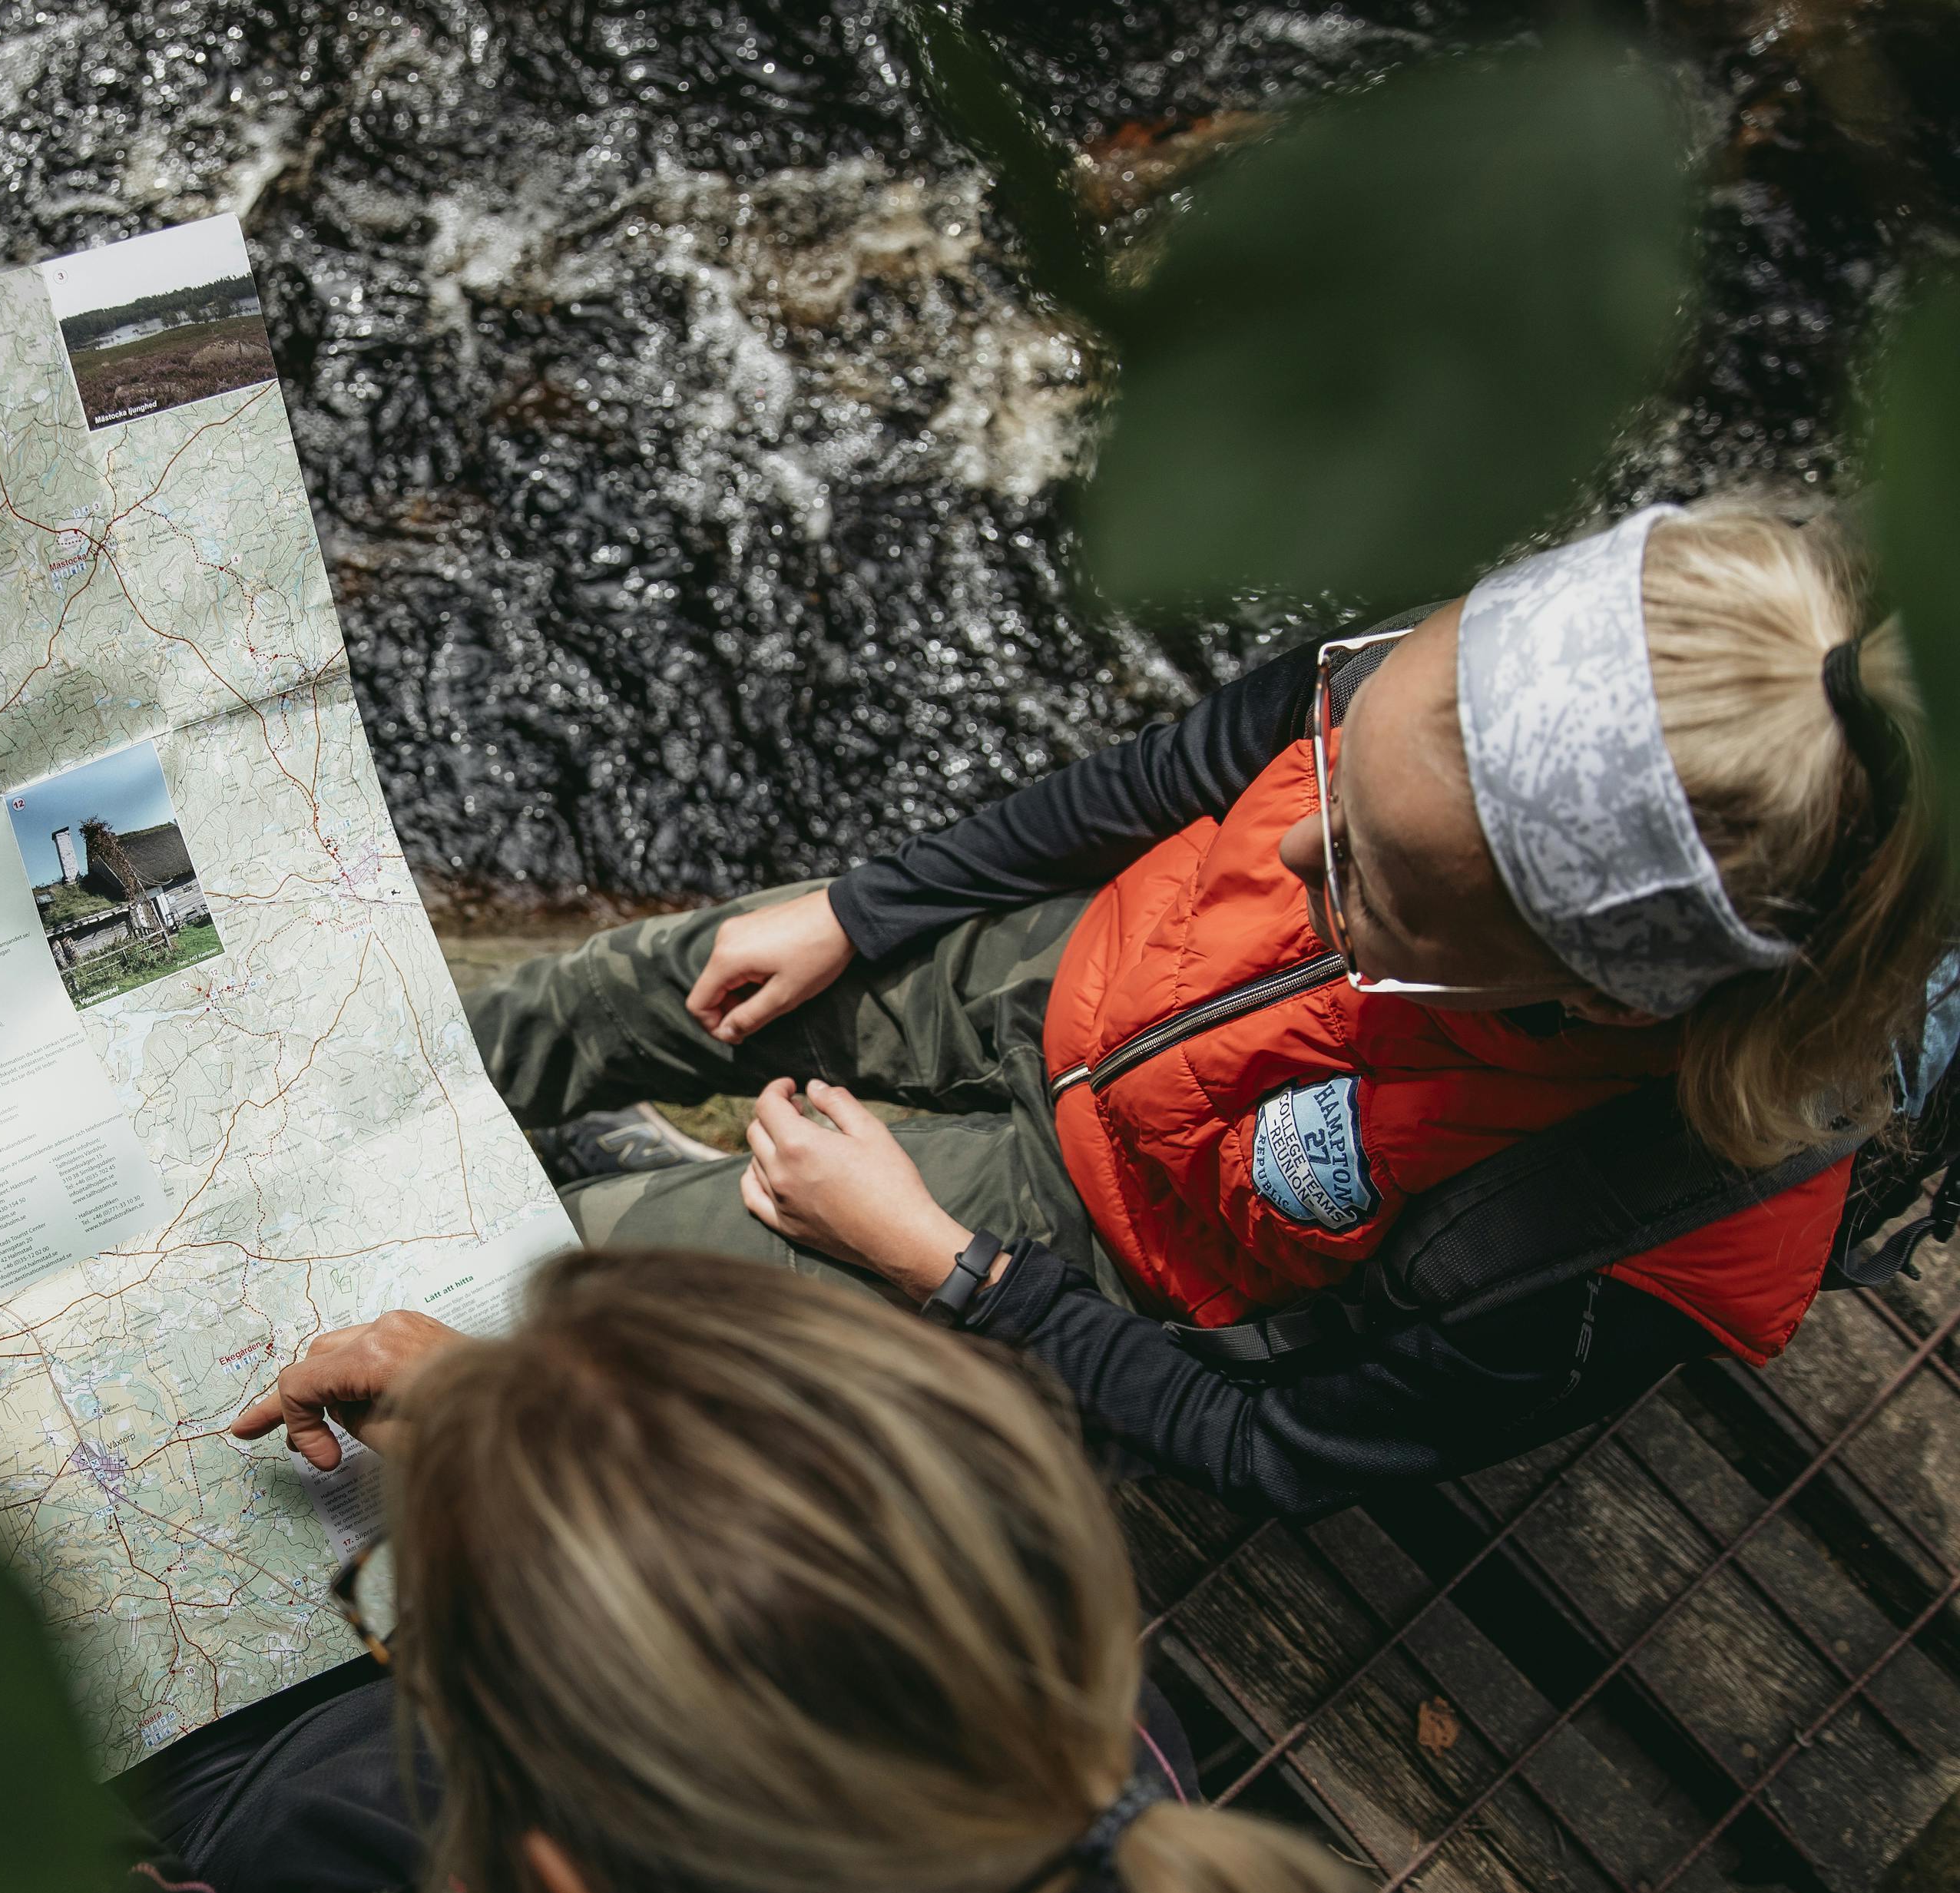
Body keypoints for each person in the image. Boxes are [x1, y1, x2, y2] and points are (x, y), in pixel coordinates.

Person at [0, 938, 1359, 1893]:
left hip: (210, 1770)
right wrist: (511, 1419)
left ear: (546, 1866)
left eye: (440, 1598)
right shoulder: (1080, 1783)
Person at [480, 504, 1953, 1517]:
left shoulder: (1612, 1243)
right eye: (1340, 771)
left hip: (1107, 1249)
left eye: (1372, 887)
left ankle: (638, 1204)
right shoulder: (1486, 686)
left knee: (572, 1309)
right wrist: (867, 910)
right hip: (1087, 963)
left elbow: (1272, 1448)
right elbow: (1162, 776)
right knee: (625, 990)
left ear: (1593, 996)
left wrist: (949, 1271)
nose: (1299, 844)